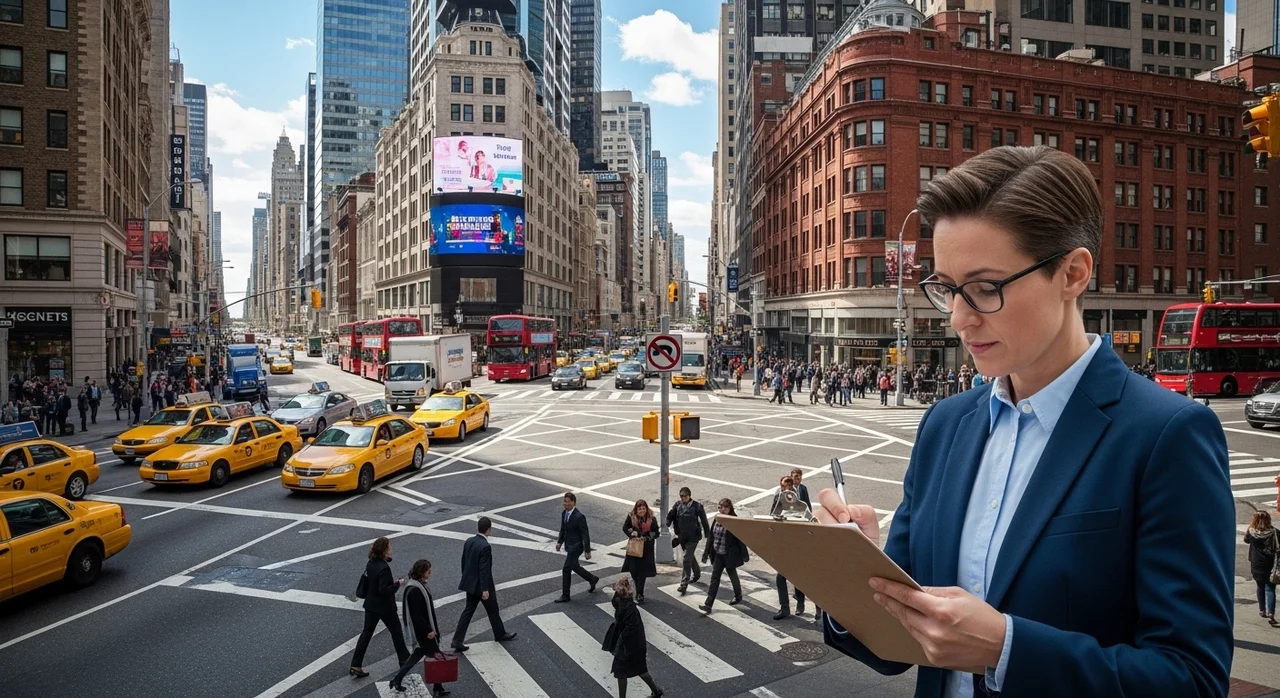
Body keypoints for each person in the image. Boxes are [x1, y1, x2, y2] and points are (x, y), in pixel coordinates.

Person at [812, 146, 1233, 697]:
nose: (960, 319)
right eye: (946, 288)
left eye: (986, 288)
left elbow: (1194, 680)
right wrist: (856, 573)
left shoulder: (1167, 436)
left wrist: (1005, 649)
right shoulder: (945, 425)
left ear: (1073, 273)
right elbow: (902, 644)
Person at [451, 517, 517, 651]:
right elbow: (484, 569)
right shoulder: (485, 546)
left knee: (468, 611)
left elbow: (464, 562)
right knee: (493, 609)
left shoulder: (469, 541)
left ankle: (457, 640)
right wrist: (485, 589)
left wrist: (466, 578)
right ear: (488, 529)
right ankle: (500, 634)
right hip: (482, 586)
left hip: (470, 584)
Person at [350, 537, 410, 679]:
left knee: (366, 633)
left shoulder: (371, 563)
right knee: (396, 632)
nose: (391, 549)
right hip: (385, 607)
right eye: (389, 547)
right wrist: (397, 584)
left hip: (371, 605)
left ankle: (355, 663)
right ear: (384, 550)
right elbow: (383, 590)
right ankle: (404, 660)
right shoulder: (384, 568)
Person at [389, 558, 449, 696]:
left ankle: (437, 686)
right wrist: (429, 630)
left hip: (425, 630)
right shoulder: (415, 590)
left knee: (428, 656)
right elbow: (417, 615)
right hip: (424, 632)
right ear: (422, 572)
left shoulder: (418, 586)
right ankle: (399, 679)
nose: (430, 572)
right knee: (430, 656)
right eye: (428, 570)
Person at [608, 577, 664, 698]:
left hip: (629, 645)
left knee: (621, 671)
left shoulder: (626, 606)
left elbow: (629, 629)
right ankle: (656, 691)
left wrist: (618, 645)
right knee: (640, 669)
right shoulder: (624, 603)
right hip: (636, 643)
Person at [699, 498, 749, 613]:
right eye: (720, 507)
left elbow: (740, 539)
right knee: (714, 578)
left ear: (729, 508)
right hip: (718, 554)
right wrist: (706, 553)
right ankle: (708, 604)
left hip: (729, 554)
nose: (722, 510)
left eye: (725, 507)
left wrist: (744, 555)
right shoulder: (717, 519)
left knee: (732, 574)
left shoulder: (733, 520)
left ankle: (738, 595)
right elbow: (711, 537)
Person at [770, 475, 806, 620]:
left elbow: (806, 517)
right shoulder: (778, 498)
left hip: (796, 545)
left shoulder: (798, 502)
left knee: (797, 577)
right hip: (783, 544)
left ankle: (800, 603)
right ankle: (785, 607)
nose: (786, 490)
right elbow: (772, 515)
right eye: (783, 487)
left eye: (788, 487)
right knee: (781, 578)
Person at [554, 492, 599, 602]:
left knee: (566, 569)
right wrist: (560, 542)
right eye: (565, 501)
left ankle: (566, 595)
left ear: (574, 503)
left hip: (577, 547)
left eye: (568, 501)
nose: (566, 503)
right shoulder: (564, 513)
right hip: (569, 545)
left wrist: (587, 550)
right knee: (575, 566)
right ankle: (592, 579)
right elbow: (563, 529)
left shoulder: (579, 517)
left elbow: (585, 534)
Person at [666, 487, 711, 594]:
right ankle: (697, 573)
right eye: (681, 496)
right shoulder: (678, 505)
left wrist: (708, 535)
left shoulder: (697, 507)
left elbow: (704, 521)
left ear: (689, 496)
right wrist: (667, 523)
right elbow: (671, 515)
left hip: (693, 537)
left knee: (686, 558)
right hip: (682, 537)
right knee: (689, 556)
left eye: (685, 496)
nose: (683, 498)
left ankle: (684, 583)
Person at [621, 499, 659, 604]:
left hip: (646, 549)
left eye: (643, 508)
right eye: (639, 509)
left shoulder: (651, 518)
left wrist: (646, 538)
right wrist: (631, 532)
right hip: (634, 548)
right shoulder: (631, 517)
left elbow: (656, 532)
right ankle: (638, 589)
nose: (642, 511)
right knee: (633, 571)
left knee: (642, 573)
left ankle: (639, 593)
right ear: (636, 509)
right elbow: (625, 527)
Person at [1244, 510, 1278, 625]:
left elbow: (1246, 540)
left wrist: (1251, 526)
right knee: (1270, 588)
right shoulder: (1274, 532)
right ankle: (1271, 613)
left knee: (1260, 586)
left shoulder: (1251, 532)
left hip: (1257, 563)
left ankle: (1262, 610)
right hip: (1271, 563)